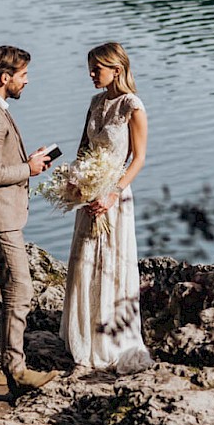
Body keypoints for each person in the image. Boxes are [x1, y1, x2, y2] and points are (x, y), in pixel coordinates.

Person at [0, 45, 58, 400]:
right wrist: (29, 169)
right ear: (5, 78)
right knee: (20, 290)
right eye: (23, 76)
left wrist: (26, 160)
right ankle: (15, 370)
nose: (27, 81)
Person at [60, 42, 150, 370]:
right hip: (90, 194)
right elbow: (83, 150)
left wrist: (111, 192)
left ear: (116, 69)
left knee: (112, 265)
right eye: (90, 68)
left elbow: (138, 158)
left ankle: (111, 340)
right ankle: (84, 336)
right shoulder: (95, 102)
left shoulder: (132, 105)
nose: (91, 74)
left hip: (115, 195)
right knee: (85, 261)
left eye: (97, 68)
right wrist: (78, 184)